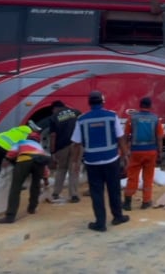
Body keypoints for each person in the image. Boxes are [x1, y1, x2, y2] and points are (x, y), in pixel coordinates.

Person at [71, 90, 129, 232]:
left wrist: (75, 163)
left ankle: (100, 223)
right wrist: (125, 154)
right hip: (111, 160)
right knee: (114, 190)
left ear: (89, 103)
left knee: (97, 193)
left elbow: (76, 143)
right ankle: (118, 217)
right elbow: (120, 137)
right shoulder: (111, 116)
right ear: (102, 102)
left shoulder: (82, 119)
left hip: (92, 163)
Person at [0, 132, 51, 224]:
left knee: (15, 188)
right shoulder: (40, 147)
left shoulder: (22, 141)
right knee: (35, 185)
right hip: (39, 162)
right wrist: (46, 179)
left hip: (24, 160)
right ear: (38, 140)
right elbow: (44, 166)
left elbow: (11, 153)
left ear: (28, 138)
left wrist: (7, 160)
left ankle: (10, 216)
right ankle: (32, 208)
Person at [123, 97, 164, 210]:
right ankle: (146, 201)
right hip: (151, 152)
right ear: (150, 106)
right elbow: (159, 137)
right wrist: (160, 152)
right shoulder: (156, 119)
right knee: (148, 177)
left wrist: (124, 150)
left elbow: (126, 135)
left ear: (140, 105)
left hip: (136, 151)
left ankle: (127, 202)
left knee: (132, 176)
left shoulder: (132, 118)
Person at [48, 100, 82, 203]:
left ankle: (56, 193)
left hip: (61, 147)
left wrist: (52, 151)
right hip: (76, 145)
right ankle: (74, 195)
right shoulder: (76, 112)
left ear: (55, 108)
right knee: (74, 169)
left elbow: (53, 136)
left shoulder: (53, 117)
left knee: (61, 169)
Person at [0, 125, 33, 192]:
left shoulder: (16, 130)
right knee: (18, 167)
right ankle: (16, 186)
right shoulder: (26, 136)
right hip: (5, 147)